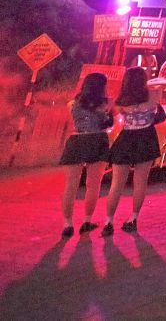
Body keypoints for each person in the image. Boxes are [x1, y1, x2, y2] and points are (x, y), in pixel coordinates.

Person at [103, 67, 166, 236]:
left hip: (127, 137)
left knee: (116, 184)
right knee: (140, 182)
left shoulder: (120, 100)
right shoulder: (153, 95)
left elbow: (112, 114)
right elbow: (158, 103)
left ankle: (108, 221)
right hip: (146, 138)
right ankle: (133, 218)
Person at [59, 72, 112, 237]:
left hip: (76, 141)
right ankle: (87, 221)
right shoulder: (106, 104)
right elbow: (113, 119)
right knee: (93, 185)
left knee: (70, 186)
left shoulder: (72, 104)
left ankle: (67, 224)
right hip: (97, 140)